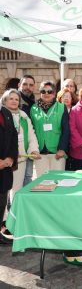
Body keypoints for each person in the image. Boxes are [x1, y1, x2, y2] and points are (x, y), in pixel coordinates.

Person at [0, 89, 41, 240]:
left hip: (20, 161)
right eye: (10, 99)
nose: (14, 101)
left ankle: (13, 222)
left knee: (15, 193)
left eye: (16, 99)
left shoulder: (24, 117)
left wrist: (34, 150)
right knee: (4, 193)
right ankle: (4, 223)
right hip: (5, 163)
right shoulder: (2, 116)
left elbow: (31, 136)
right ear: (4, 101)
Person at [30, 81, 69, 177]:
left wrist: (62, 149)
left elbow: (66, 130)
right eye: (43, 91)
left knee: (57, 181)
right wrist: (33, 149)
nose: (46, 94)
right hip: (40, 154)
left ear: (54, 93)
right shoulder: (33, 109)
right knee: (42, 183)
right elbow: (31, 131)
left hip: (57, 153)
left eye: (49, 91)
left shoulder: (61, 107)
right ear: (40, 93)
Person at [0, 104, 18, 244]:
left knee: (1, 201)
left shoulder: (6, 112)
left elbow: (13, 138)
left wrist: (11, 158)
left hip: (5, 167)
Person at [18, 75, 36, 186]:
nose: (27, 87)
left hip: (29, 147)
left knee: (28, 176)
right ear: (19, 85)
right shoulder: (12, 101)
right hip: (15, 149)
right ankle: (13, 203)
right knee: (15, 180)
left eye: (31, 85)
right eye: (25, 84)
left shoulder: (34, 104)